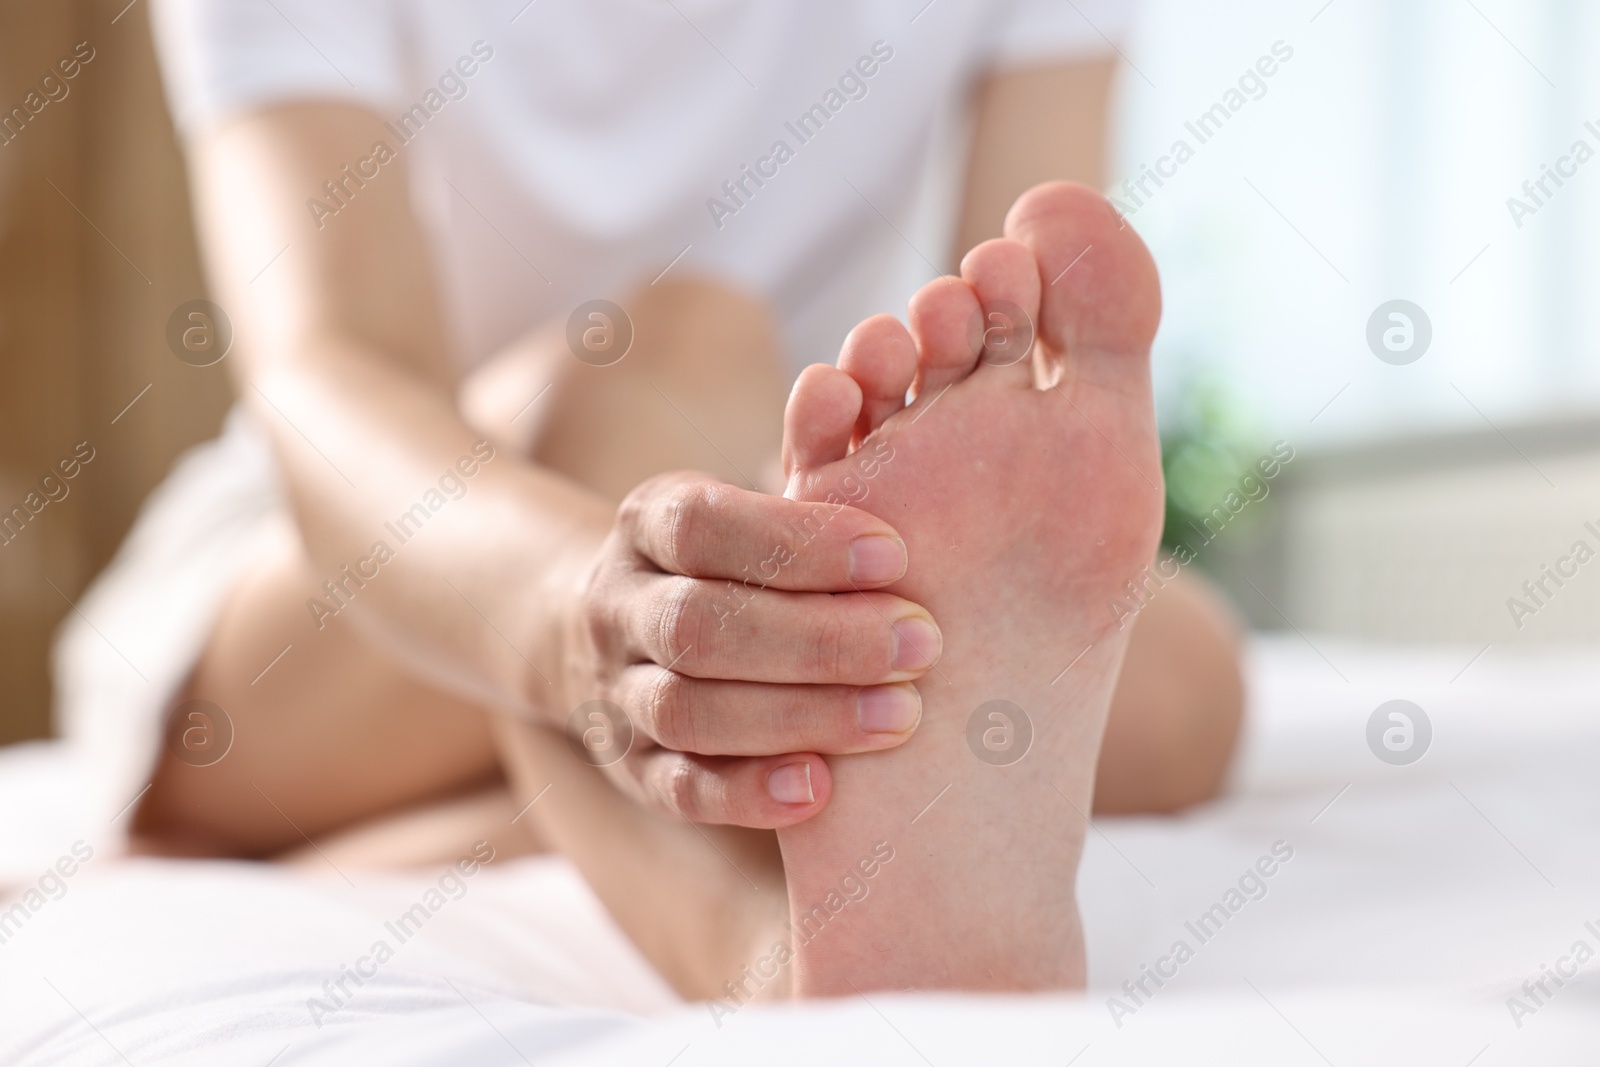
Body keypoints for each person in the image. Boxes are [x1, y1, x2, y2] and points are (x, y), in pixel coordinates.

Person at [64, 0, 1242, 998]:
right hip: (324, 584)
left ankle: (434, 832)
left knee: (1184, 684)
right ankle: (779, 960)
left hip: (746, 515)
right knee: (675, 344)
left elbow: (1009, 356)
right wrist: (573, 612)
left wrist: (713, 596)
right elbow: (329, 379)